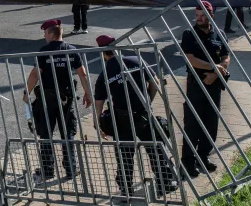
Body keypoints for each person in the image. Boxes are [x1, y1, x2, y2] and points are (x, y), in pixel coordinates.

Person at [93, 35, 178, 197]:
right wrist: (148, 101)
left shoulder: (105, 73)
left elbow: (99, 101)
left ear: (104, 53)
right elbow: (155, 82)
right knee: (156, 148)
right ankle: (165, 182)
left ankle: (126, 189)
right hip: (143, 115)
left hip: (122, 119)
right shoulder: (136, 60)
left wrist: (98, 123)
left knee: (124, 155)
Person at [23, 19, 91, 182]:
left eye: (45, 33)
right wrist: (88, 93)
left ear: (52, 34)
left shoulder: (44, 51)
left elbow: (35, 74)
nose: (44, 35)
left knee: (46, 134)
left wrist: (27, 92)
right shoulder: (71, 50)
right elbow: (82, 74)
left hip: (47, 99)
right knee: (67, 133)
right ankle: (71, 168)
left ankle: (47, 170)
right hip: (66, 99)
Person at [180, 1, 230, 177]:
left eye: (203, 16)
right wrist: (213, 68)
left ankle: (203, 157)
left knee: (211, 124)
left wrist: (215, 74)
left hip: (214, 85)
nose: (200, 19)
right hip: (196, 85)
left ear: (211, 15)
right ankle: (188, 161)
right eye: (197, 16)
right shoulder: (189, 34)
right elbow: (190, 59)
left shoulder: (219, 34)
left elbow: (226, 57)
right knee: (192, 124)